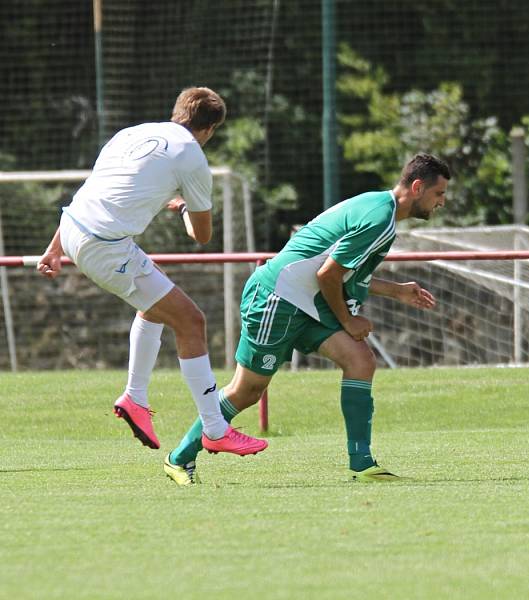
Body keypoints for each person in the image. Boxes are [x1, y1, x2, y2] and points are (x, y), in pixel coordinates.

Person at [163, 153, 451, 485]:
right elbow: (330, 274)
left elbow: (338, 272)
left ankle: (362, 462)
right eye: (439, 194)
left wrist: (396, 291)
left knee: (360, 361)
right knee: (247, 390)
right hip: (277, 297)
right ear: (417, 187)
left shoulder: (378, 208)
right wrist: (349, 321)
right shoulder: (380, 220)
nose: (441, 202)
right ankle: (179, 458)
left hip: (305, 301)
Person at [36, 87, 267, 457]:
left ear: (177, 112)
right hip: (104, 246)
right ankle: (214, 428)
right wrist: (181, 208)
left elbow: (91, 194)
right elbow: (202, 235)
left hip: (74, 227)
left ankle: (135, 398)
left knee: (155, 302)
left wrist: (55, 247)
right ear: (210, 130)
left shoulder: (133, 133)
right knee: (191, 321)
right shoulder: (191, 155)